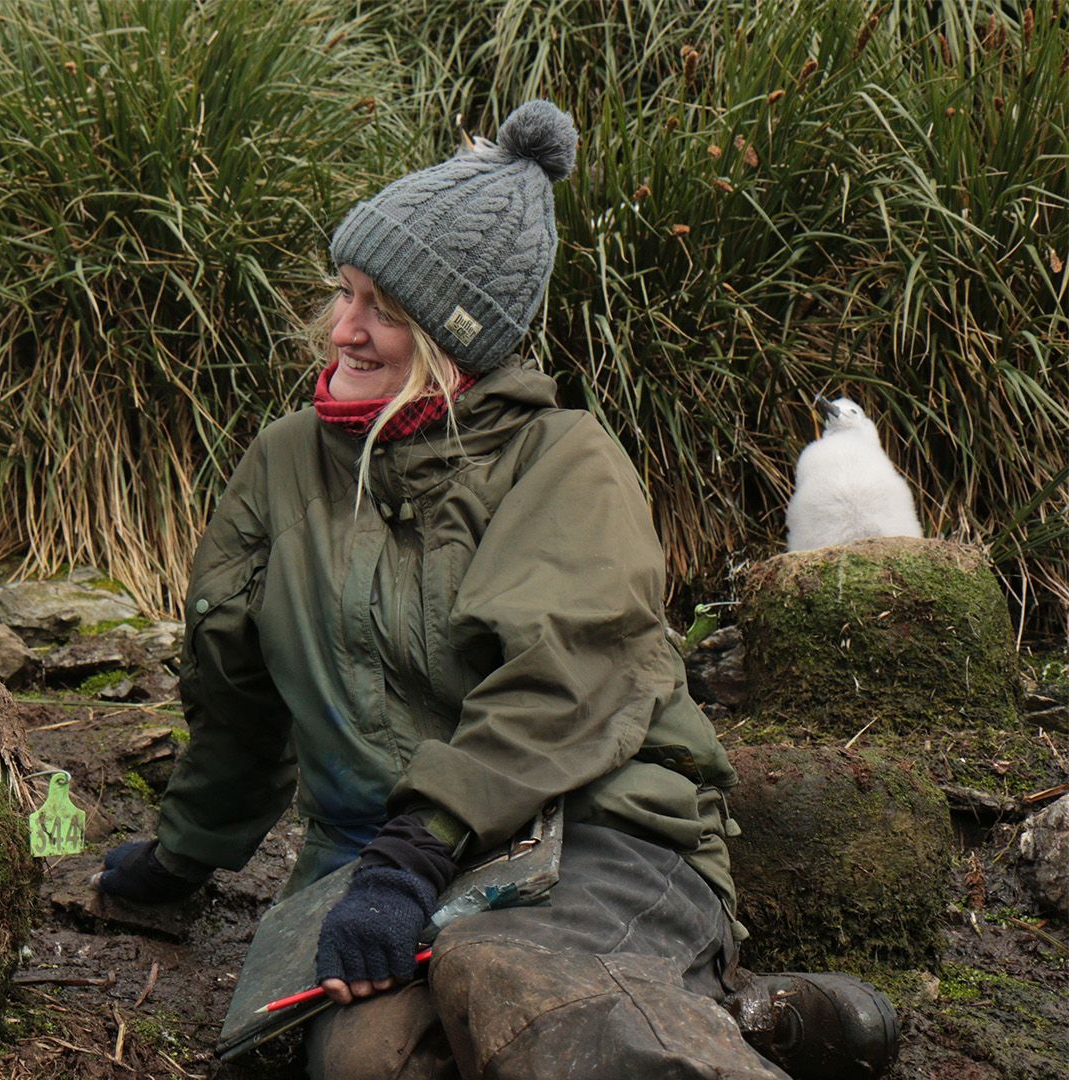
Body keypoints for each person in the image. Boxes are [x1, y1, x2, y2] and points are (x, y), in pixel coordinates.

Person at [91, 100, 898, 1079]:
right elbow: (236, 689)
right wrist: (189, 852)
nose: (342, 329)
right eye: (343, 293)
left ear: (454, 337)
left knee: (513, 984)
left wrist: (415, 849)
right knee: (362, 1063)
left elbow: (557, 684)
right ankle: (747, 1019)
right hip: (379, 868)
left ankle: (706, 1029)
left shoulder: (565, 460)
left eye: (381, 308)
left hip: (593, 831)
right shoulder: (283, 463)